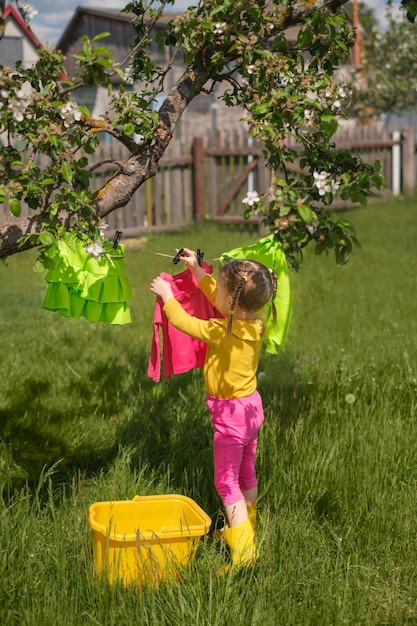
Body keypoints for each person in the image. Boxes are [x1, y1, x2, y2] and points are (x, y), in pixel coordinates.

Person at [150, 248, 277, 572]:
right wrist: (196, 271)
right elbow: (224, 299)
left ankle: (245, 549)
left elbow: (183, 321)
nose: (214, 295)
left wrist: (167, 295)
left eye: (219, 289)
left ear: (231, 301)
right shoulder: (256, 323)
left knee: (225, 482)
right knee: (246, 471)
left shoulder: (222, 331)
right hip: (251, 410)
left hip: (230, 418)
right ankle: (246, 523)